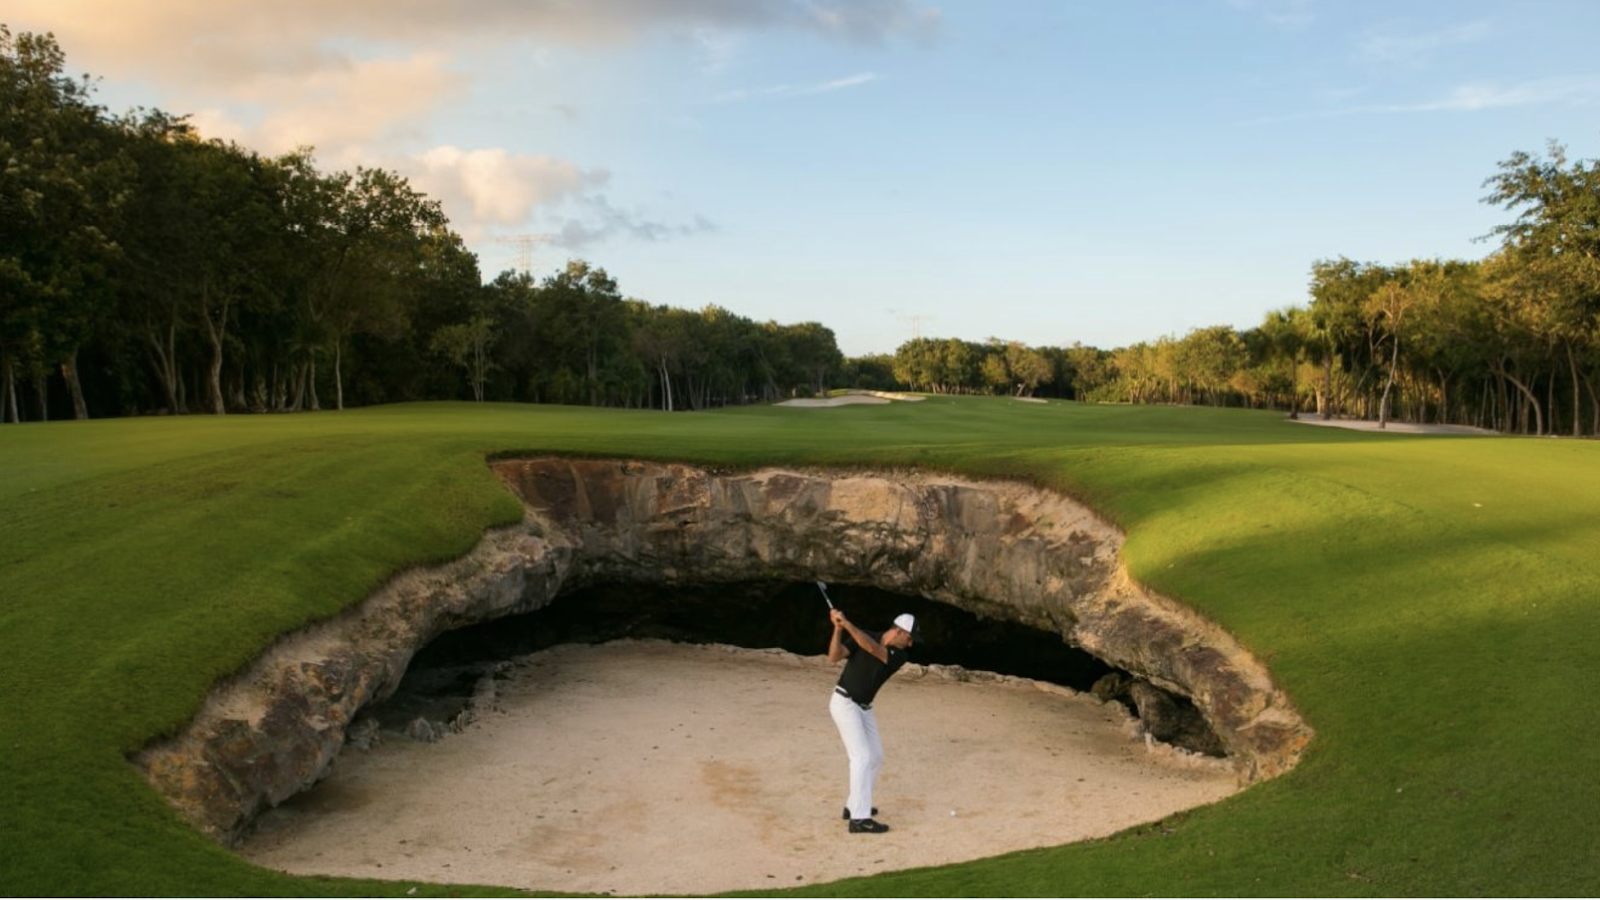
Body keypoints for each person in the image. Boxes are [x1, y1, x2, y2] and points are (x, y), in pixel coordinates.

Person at [827, 607, 916, 834]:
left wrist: (846, 624)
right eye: (910, 637)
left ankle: (853, 805)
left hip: (864, 708)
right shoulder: (864, 635)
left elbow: (871, 648)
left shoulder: (899, 656)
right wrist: (838, 629)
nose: (911, 643)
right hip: (844, 703)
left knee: (875, 757)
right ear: (898, 632)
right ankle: (858, 819)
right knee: (862, 758)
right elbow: (833, 657)